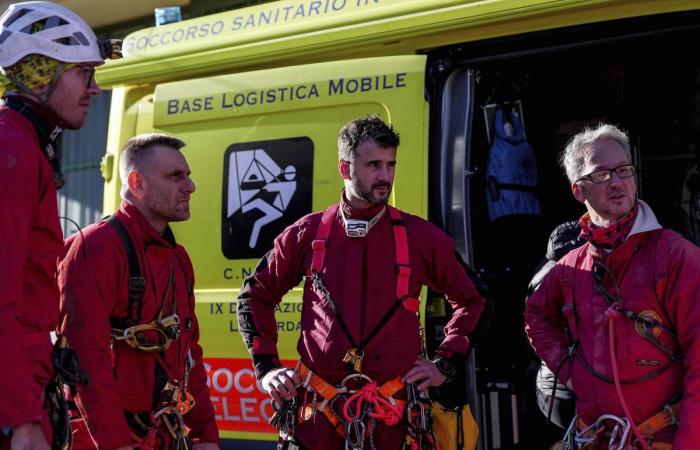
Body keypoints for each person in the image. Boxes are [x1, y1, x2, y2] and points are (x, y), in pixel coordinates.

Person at [237, 115, 487, 449]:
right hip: (317, 422)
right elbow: (254, 295)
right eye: (373, 165)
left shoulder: (421, 238)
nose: (385, 176)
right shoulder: (305, 234)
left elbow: (475, 301)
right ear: (345, 168)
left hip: (394, 422)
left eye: (390, 165)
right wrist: (266, 367)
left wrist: (446, 363)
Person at [524, 124, 700, 449]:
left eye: (623, 170)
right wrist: (570, 371)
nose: (617, 182)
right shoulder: (570, 267)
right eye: (602, 174)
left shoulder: (676, 257)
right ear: (579, 190)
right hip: (592, 438)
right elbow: (536, 314)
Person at [0, 2, 119, 449]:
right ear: (39, 74)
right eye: (84, 73)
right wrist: (19, 419)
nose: (95, 89)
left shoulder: (25, 145)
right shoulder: (11, 150)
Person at [57, 134, 219, 449]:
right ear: (137, 182)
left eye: (187, 175)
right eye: (176, 176)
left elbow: (189, 355)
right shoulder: (96, 248)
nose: (190, 186)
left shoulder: (178, 259)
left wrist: (205, 436)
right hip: (99, 439)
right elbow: (84, 359)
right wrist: (116, 443)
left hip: (161, 436)